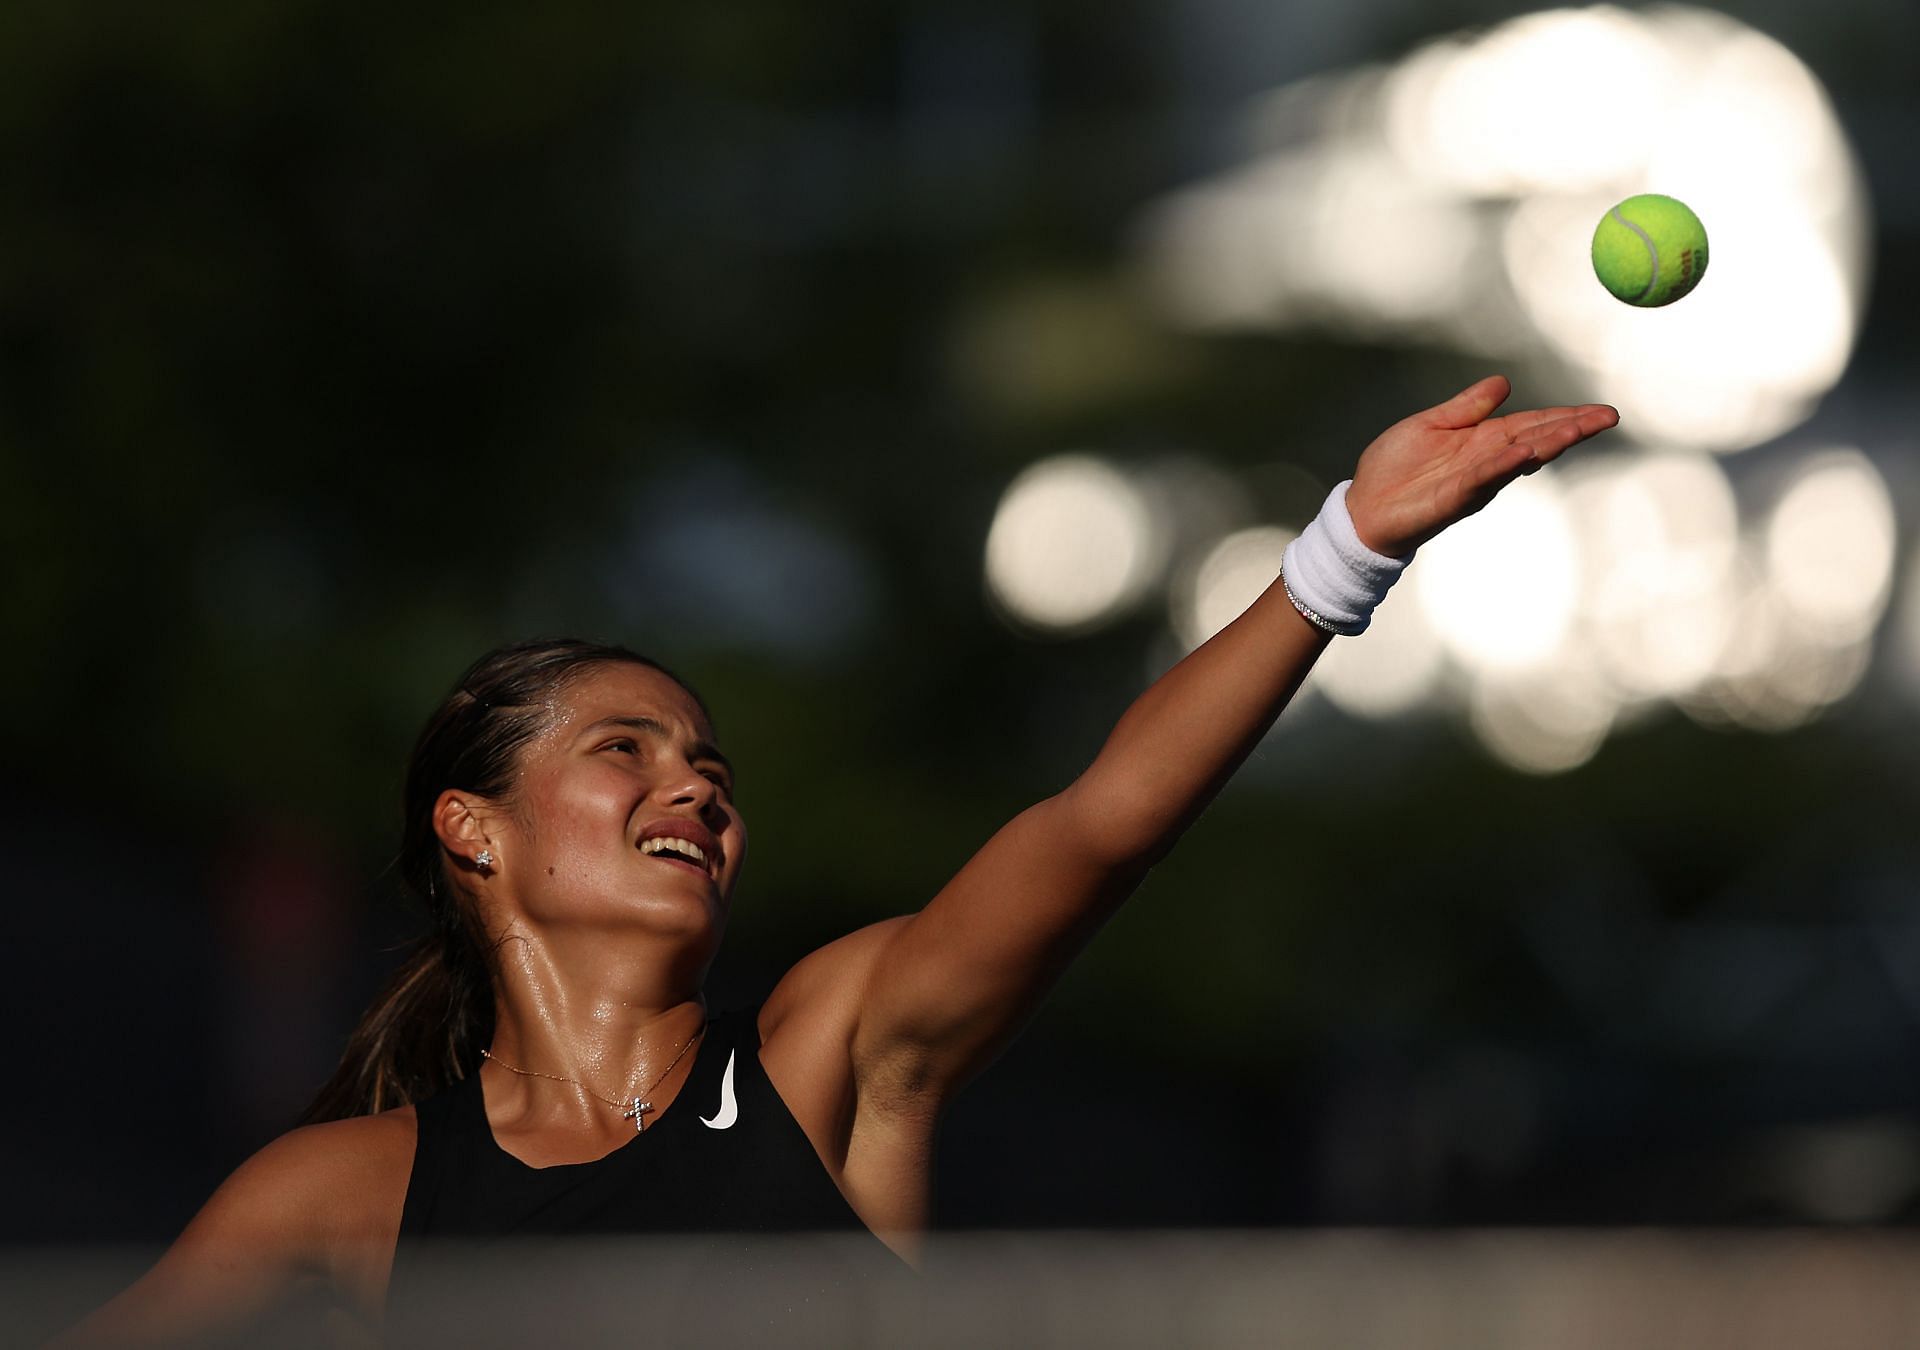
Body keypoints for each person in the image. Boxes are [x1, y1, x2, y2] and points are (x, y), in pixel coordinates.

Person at [56, 376, 1618, 1345]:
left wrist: (1348, 545)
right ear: (475, 828)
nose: (697, 784)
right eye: (628, 749)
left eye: (711, 764)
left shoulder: (832, 1048)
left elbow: (1099, 822)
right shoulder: (341, 1193)